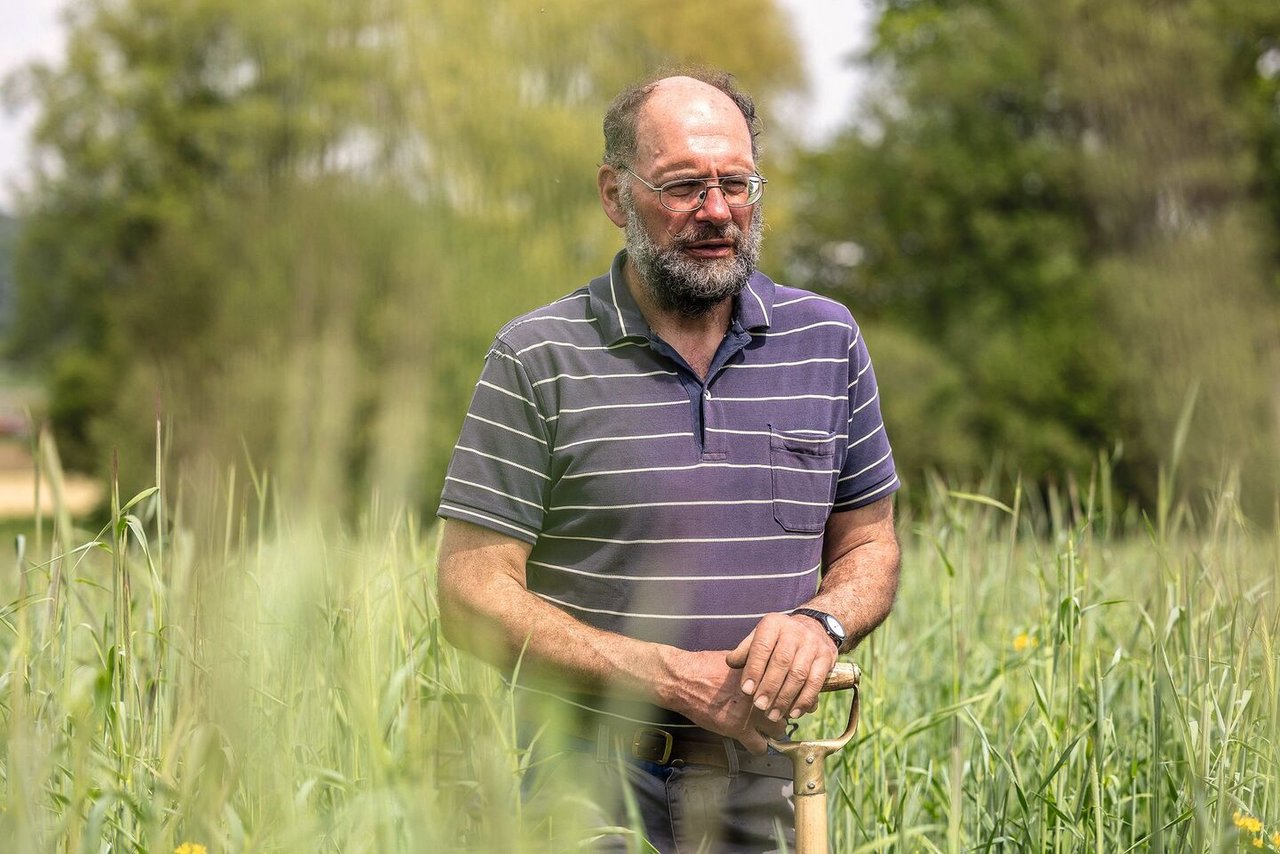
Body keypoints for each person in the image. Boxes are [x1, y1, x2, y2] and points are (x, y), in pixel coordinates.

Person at [435, 67, 901, 852]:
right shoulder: (537, 355)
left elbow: (871, 546)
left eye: (736, 183)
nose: (716, 210)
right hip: (583, 784)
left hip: (766, 776)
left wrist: (821, 623)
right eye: (684, 185)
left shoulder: (827, 341)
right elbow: (468, 589)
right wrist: (661, 674)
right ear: (616, 195)